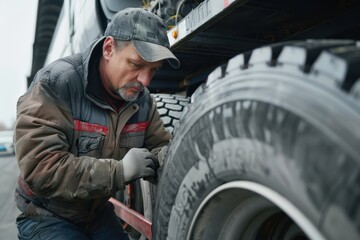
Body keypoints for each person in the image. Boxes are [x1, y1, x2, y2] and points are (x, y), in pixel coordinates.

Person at [14, 7, 179, 240]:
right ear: (109, 48)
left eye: (153, 70)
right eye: (136, 64)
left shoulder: (141, 101)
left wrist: (171, 158)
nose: (145, 80)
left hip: (96, 212)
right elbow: (41, 169)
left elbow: (161, 145)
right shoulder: (57, 85)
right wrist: (119, 171)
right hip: (46, 214)